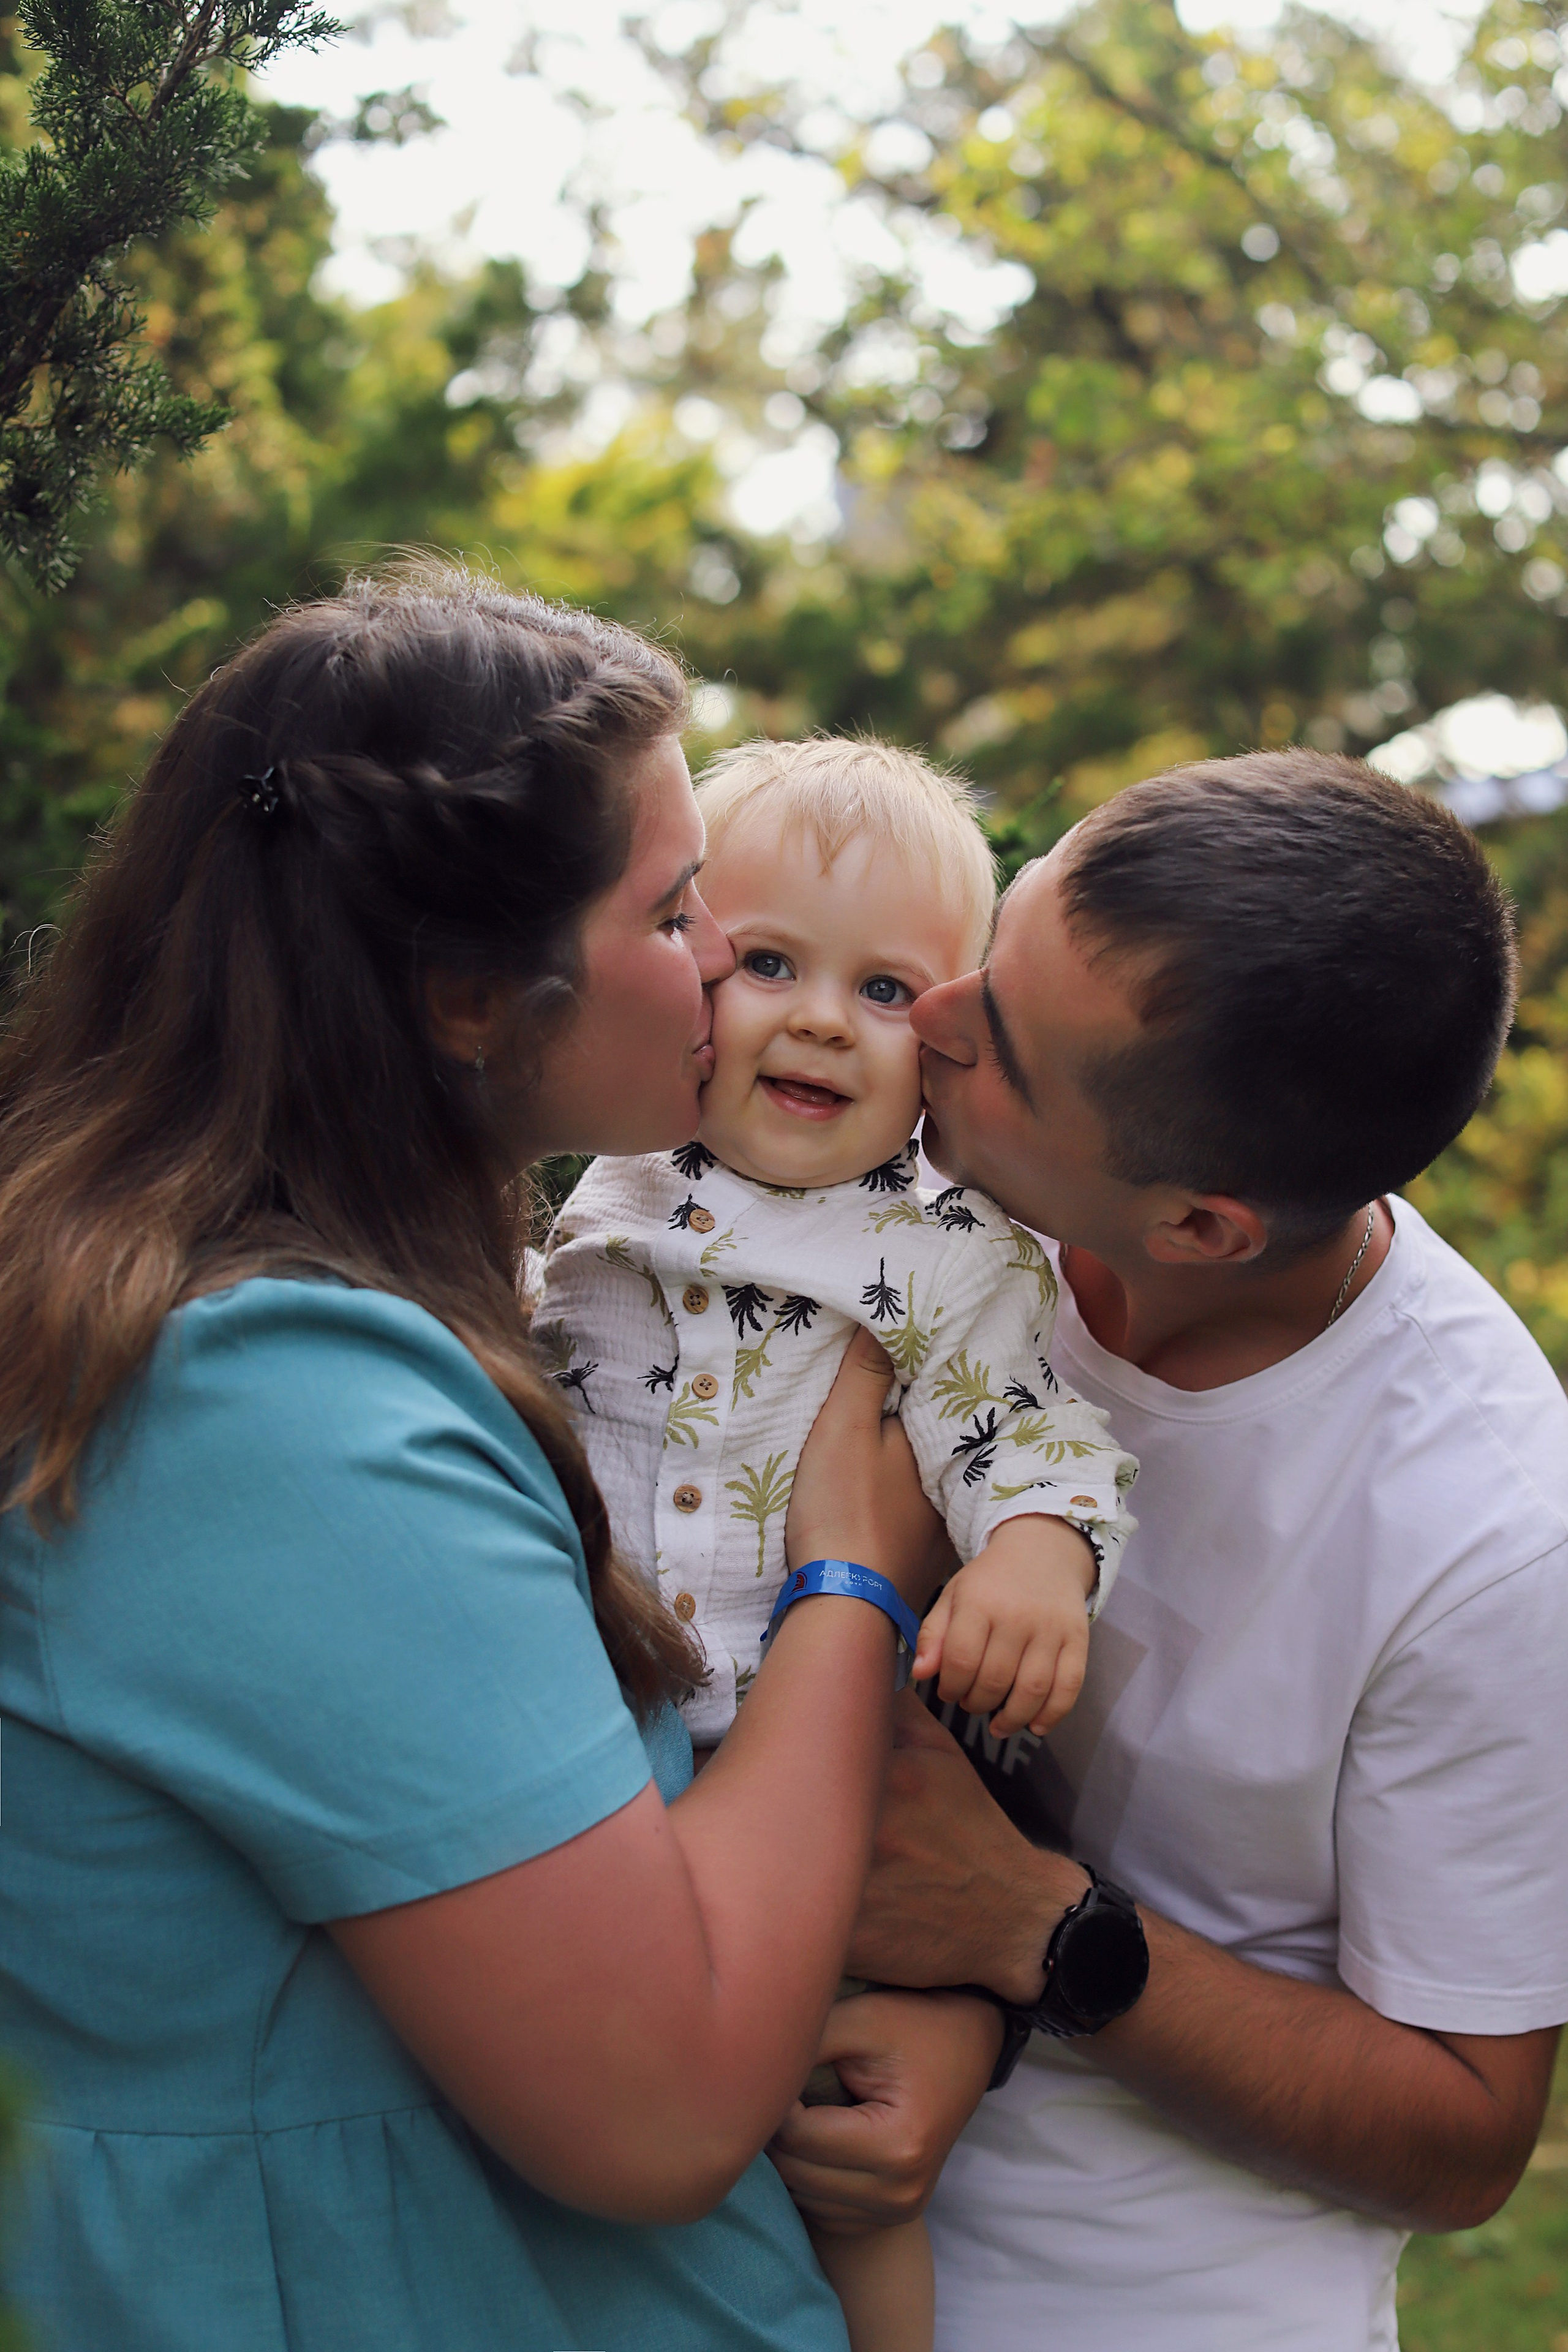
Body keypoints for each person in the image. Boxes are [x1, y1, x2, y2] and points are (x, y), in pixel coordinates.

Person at [0, 569, 995, 2352]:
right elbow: (663, 2105)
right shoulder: (268, 1412)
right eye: (680, 908)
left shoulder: (340, 1299)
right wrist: (856, 1576)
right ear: (472, 994)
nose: (722, 959)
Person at [768, 751, 1568, 2352]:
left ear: (1203, 1226)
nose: (928, 1019)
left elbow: (1467, 2134)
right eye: (990, 953)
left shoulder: (1487, 1533)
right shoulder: (927, 1195)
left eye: (996, 1047)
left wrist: (1032, 1929)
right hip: (744, 2223)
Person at [535, 735, 1139, 2352]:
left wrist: (1031, 1557)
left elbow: (1033, 1434)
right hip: (608, 1752)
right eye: (770, 964)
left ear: (941, 1042)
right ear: (686, 972)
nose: (816, 1017)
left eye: (884, 992)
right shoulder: (612, 1188)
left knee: (849, 2168)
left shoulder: (947, 1255)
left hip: (826, 1790)